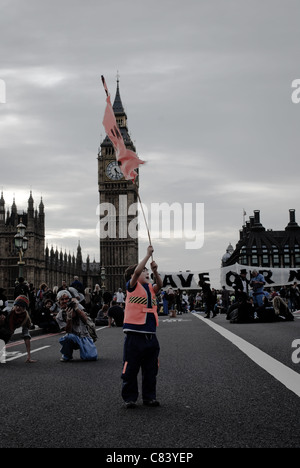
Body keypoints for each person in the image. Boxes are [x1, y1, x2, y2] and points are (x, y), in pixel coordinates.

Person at [121, 245, 163, 409]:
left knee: (151, 369)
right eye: (144, 271)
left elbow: (160, 284)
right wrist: (147, 255)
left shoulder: (151, 289)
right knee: (130, 369)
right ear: (133, 276)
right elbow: (137, 272)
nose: (146, 273)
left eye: (147, 271)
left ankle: (149, 397)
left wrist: (155, 271)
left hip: (151, 335)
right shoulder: (131, 286)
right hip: (134, 335)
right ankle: (129, 398)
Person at [55, 290, 98, 362]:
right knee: (67, 338)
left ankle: (86, 350)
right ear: (58, 301)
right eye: (62, 299)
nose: (65, 301)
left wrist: (76, 308)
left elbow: (85, 320)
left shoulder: (77, 305)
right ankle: (67, 354)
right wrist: (69, 318)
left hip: (84, 336)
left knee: (90, 357)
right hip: (73, 337)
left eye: (66, 299)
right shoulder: (59, 316)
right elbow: (68, 331)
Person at [0, 295, 36, 363]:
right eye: (16, 305)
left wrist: (29, 356)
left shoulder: (25, 318)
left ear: (25, 308)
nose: (18, 308)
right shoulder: (8, 311)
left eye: (21, 306)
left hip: (7, 334)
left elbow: (26, 336)